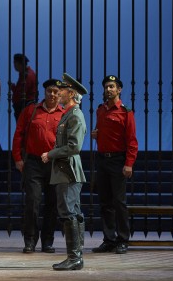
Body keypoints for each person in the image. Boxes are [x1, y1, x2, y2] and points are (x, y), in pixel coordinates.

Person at [41, 73, 88, 271]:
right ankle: (76, 256)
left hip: (68, 170)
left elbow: (74, 146)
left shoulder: (75, 115)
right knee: (71, 212)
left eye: (62, 90)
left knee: (69, 213)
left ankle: (75, 257)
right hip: (64, 170)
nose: (58, 92)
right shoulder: (68, 114)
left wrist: (50, 154)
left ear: (71, 93)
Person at [11, 79, 64, 254]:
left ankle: (47, 242)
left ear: (60, 94)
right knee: (32, 201)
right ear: (45, 92)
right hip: (33, 162)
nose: (53, 94)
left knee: (52, 203)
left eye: (56, 91)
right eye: (50, 91)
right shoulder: (31, 110)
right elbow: (19, 134)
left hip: (54, 164)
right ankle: (30, 241)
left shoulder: (65, 114)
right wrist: (18, 158)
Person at [91, 75, 138, 255]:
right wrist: (96, 134)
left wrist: (129, 164)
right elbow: (101, 131)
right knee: (105, 202)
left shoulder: (126, 112)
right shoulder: (101, 110)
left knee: (119, 202)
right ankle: (109, 240)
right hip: (102, 159)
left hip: (118, 160)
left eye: (112, 86)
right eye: (106, 87)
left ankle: (123, 239)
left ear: (119, 90)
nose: (108, 89)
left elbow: (132, 141)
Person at [10, 54, 37, 121]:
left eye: (15, 63)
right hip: (23, 106)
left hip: (24, 106)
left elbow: (21, 92)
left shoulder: (27, 75)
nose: (14, 66)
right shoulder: (24, 74)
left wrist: (13, 87)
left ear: (20, 63)